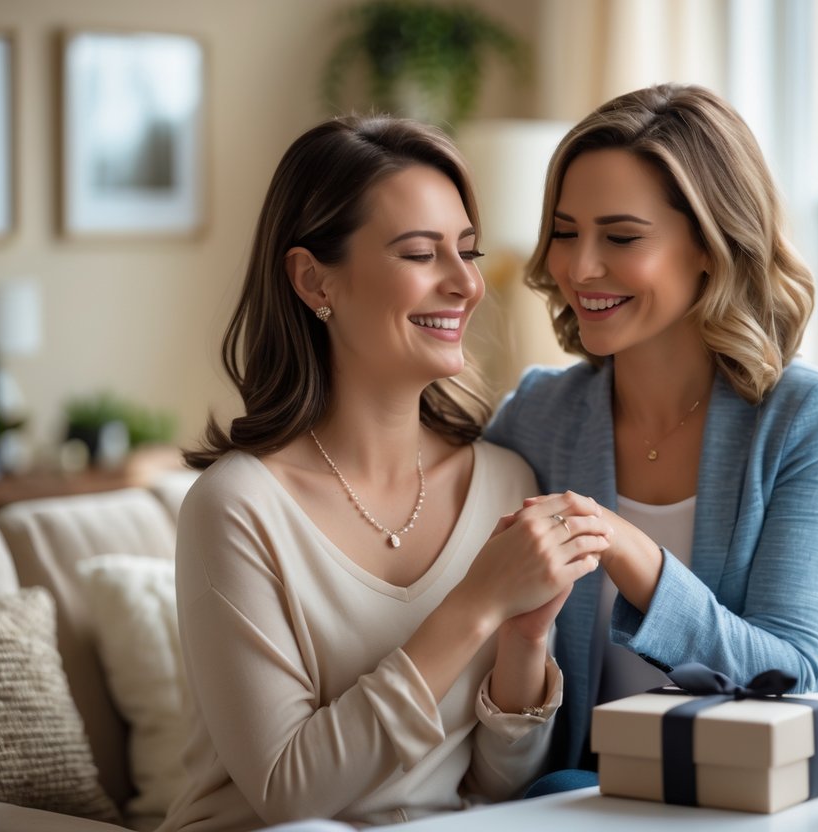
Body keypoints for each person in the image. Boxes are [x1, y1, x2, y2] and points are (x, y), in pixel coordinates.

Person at [158, 116, 610, 831]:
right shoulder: (237, 506)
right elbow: (291, 794)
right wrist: (475, 604)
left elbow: (497, 790)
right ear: (313, 280)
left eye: (466, 251)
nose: (465, 283)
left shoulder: (503, 479)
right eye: (420, 253)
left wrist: (522, 639)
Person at [485, 83, 818, 776]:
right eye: (565, 232)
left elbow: (794, 673)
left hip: (762, 786)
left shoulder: (806, 417)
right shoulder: (535, 415)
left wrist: (634, 556)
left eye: (621, 237)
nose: (578, 266)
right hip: (583, 793)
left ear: (710, 248)